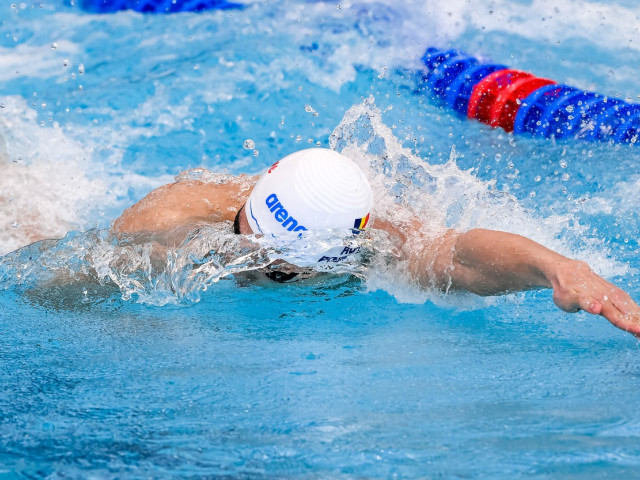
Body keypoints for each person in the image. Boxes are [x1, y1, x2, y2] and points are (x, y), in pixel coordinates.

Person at [112, 148, 640, 336]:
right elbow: (69, 284)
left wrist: (555, 267)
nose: (260, 263)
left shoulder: (372, 234)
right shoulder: (166, 223)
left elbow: (453, 255)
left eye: (283, 267)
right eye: (253, 245)